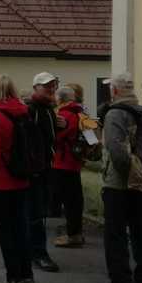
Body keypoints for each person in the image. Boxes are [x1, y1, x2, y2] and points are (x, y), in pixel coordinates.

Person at [100, 73, 142, 283]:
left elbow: (117, 152)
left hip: (120, 185)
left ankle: (121, 282)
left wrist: (130, 174)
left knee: (115, 234)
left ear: (115, 91)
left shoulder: (115, 114)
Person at [0, 74, 34, 283]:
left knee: (6, 233)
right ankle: (27, 276)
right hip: (21, 178)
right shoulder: (24, 113)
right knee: (21, 230)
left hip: (1, 181)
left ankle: (14, 280)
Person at [26, 72, 63, 273]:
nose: (51, 89)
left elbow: (47, 138)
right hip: (35, 170)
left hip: (45, 167)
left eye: (53, 86)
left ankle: (33, 252)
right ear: (35, 88)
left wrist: (60, 126)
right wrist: (34, 166)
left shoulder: (48, 109)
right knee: (35, 214)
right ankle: (38, 253)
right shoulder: (31, 109)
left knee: (38, 212)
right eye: (46, 86)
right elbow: (29, 140)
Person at [52, 86, 86, 249]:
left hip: (63, 161)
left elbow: (56, 138)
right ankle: (76, 232)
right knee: (76, 198)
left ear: (60, 99)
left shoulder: (63, 115)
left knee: (69, 200)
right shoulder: (81, 112)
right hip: (76, 160)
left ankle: (73, 235)